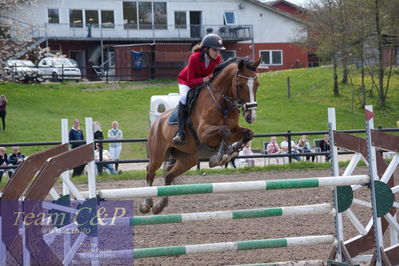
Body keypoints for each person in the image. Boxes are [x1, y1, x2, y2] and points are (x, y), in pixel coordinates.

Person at [172, 34, 225, 145]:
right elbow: (190, 80)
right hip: (186, 82)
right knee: (183, 97)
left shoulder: (218, 60)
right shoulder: (194, 57)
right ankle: (180, 132)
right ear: (206, 49)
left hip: (203, 83)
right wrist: (203, 79)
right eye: (215, 50)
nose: (217, 53)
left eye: (219, 51)